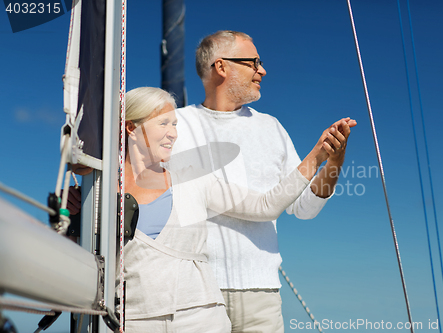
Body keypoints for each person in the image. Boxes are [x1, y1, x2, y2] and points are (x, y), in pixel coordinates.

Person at [70, 86, 348, 332]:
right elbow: (83, 259)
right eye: (163, 123)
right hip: (133, 320)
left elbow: (267, 206)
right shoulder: (97, 190)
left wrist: (318, 156)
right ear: (131, 127)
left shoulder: (194, 179)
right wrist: (74, 215)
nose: (173, 134)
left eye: (175, 125)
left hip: (201, 318)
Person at [171, 30, 357, 332]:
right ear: (221, 67)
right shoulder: (176, 126)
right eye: (253, 62)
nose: (262, 70)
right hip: (192, 290)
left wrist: (333, 161)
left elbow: (305, 207)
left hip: (261, 295)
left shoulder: (271, 128)